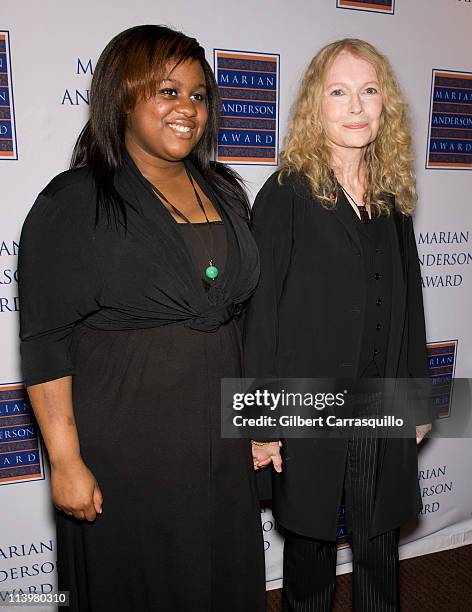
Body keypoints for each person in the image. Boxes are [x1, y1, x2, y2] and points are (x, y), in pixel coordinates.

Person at [19, 24, 265, 612]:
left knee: (221, 581)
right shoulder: (74, 202)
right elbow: (47, 341)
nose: (187, 108)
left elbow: (247, 324)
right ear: (122, 97)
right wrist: (67, 461)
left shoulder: (226, 192)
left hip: (219, 446)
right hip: (128, 449)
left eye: (199, 95)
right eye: (167, 90)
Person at [244, 39, 433, 611]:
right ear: (315, 106)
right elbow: (259, 315)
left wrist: (417, 400)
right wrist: (259, 420)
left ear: (386, 106)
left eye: (369, 90)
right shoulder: (285, 194)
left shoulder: (392, 198)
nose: (356, 106)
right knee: (310, 559)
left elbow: (412, 305)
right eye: (339, 91)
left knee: (380, 551)